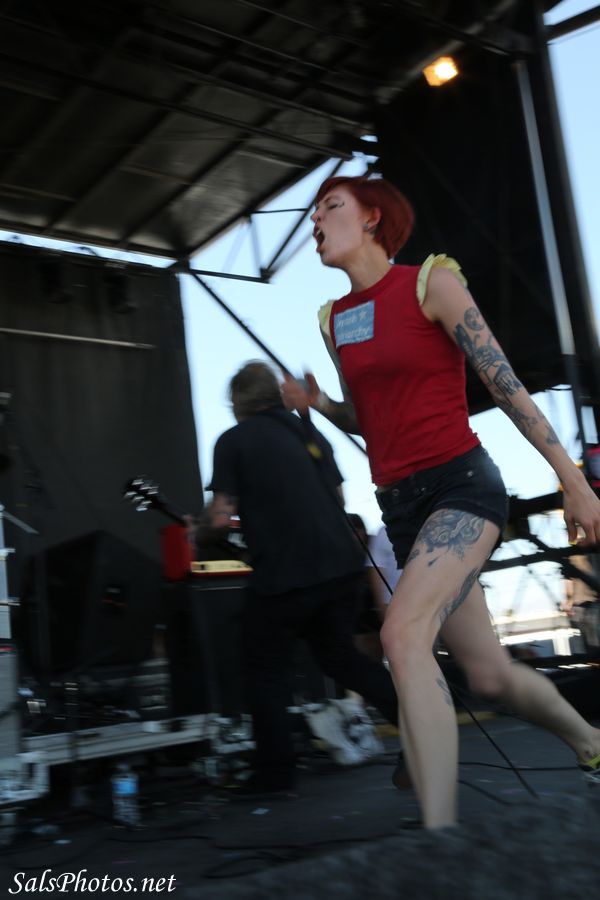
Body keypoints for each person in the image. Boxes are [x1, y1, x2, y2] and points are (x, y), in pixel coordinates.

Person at [281, 174, 600, 829]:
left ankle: (440, 842)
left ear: (372, 218)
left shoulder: (431, 282)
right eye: (314, 211)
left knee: (402, 635)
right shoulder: (334, 320)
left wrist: (572, 479)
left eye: (330, 206)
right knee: (489, 677)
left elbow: (502, 381)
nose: (315, 220)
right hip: (402, 511)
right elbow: (369, 421)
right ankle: (592, 741)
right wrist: (321, 405)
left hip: (460, 486)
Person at [208, 360, 398, 795]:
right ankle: (419, 722)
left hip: (285, 573)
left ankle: (275, 774)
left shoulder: (233, 441)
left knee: (264, 669)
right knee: (340, 657)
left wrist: (197, 529)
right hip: (341, 567)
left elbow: (220, 517)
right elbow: (338, 498)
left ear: (237, 401)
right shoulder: (309, 433)